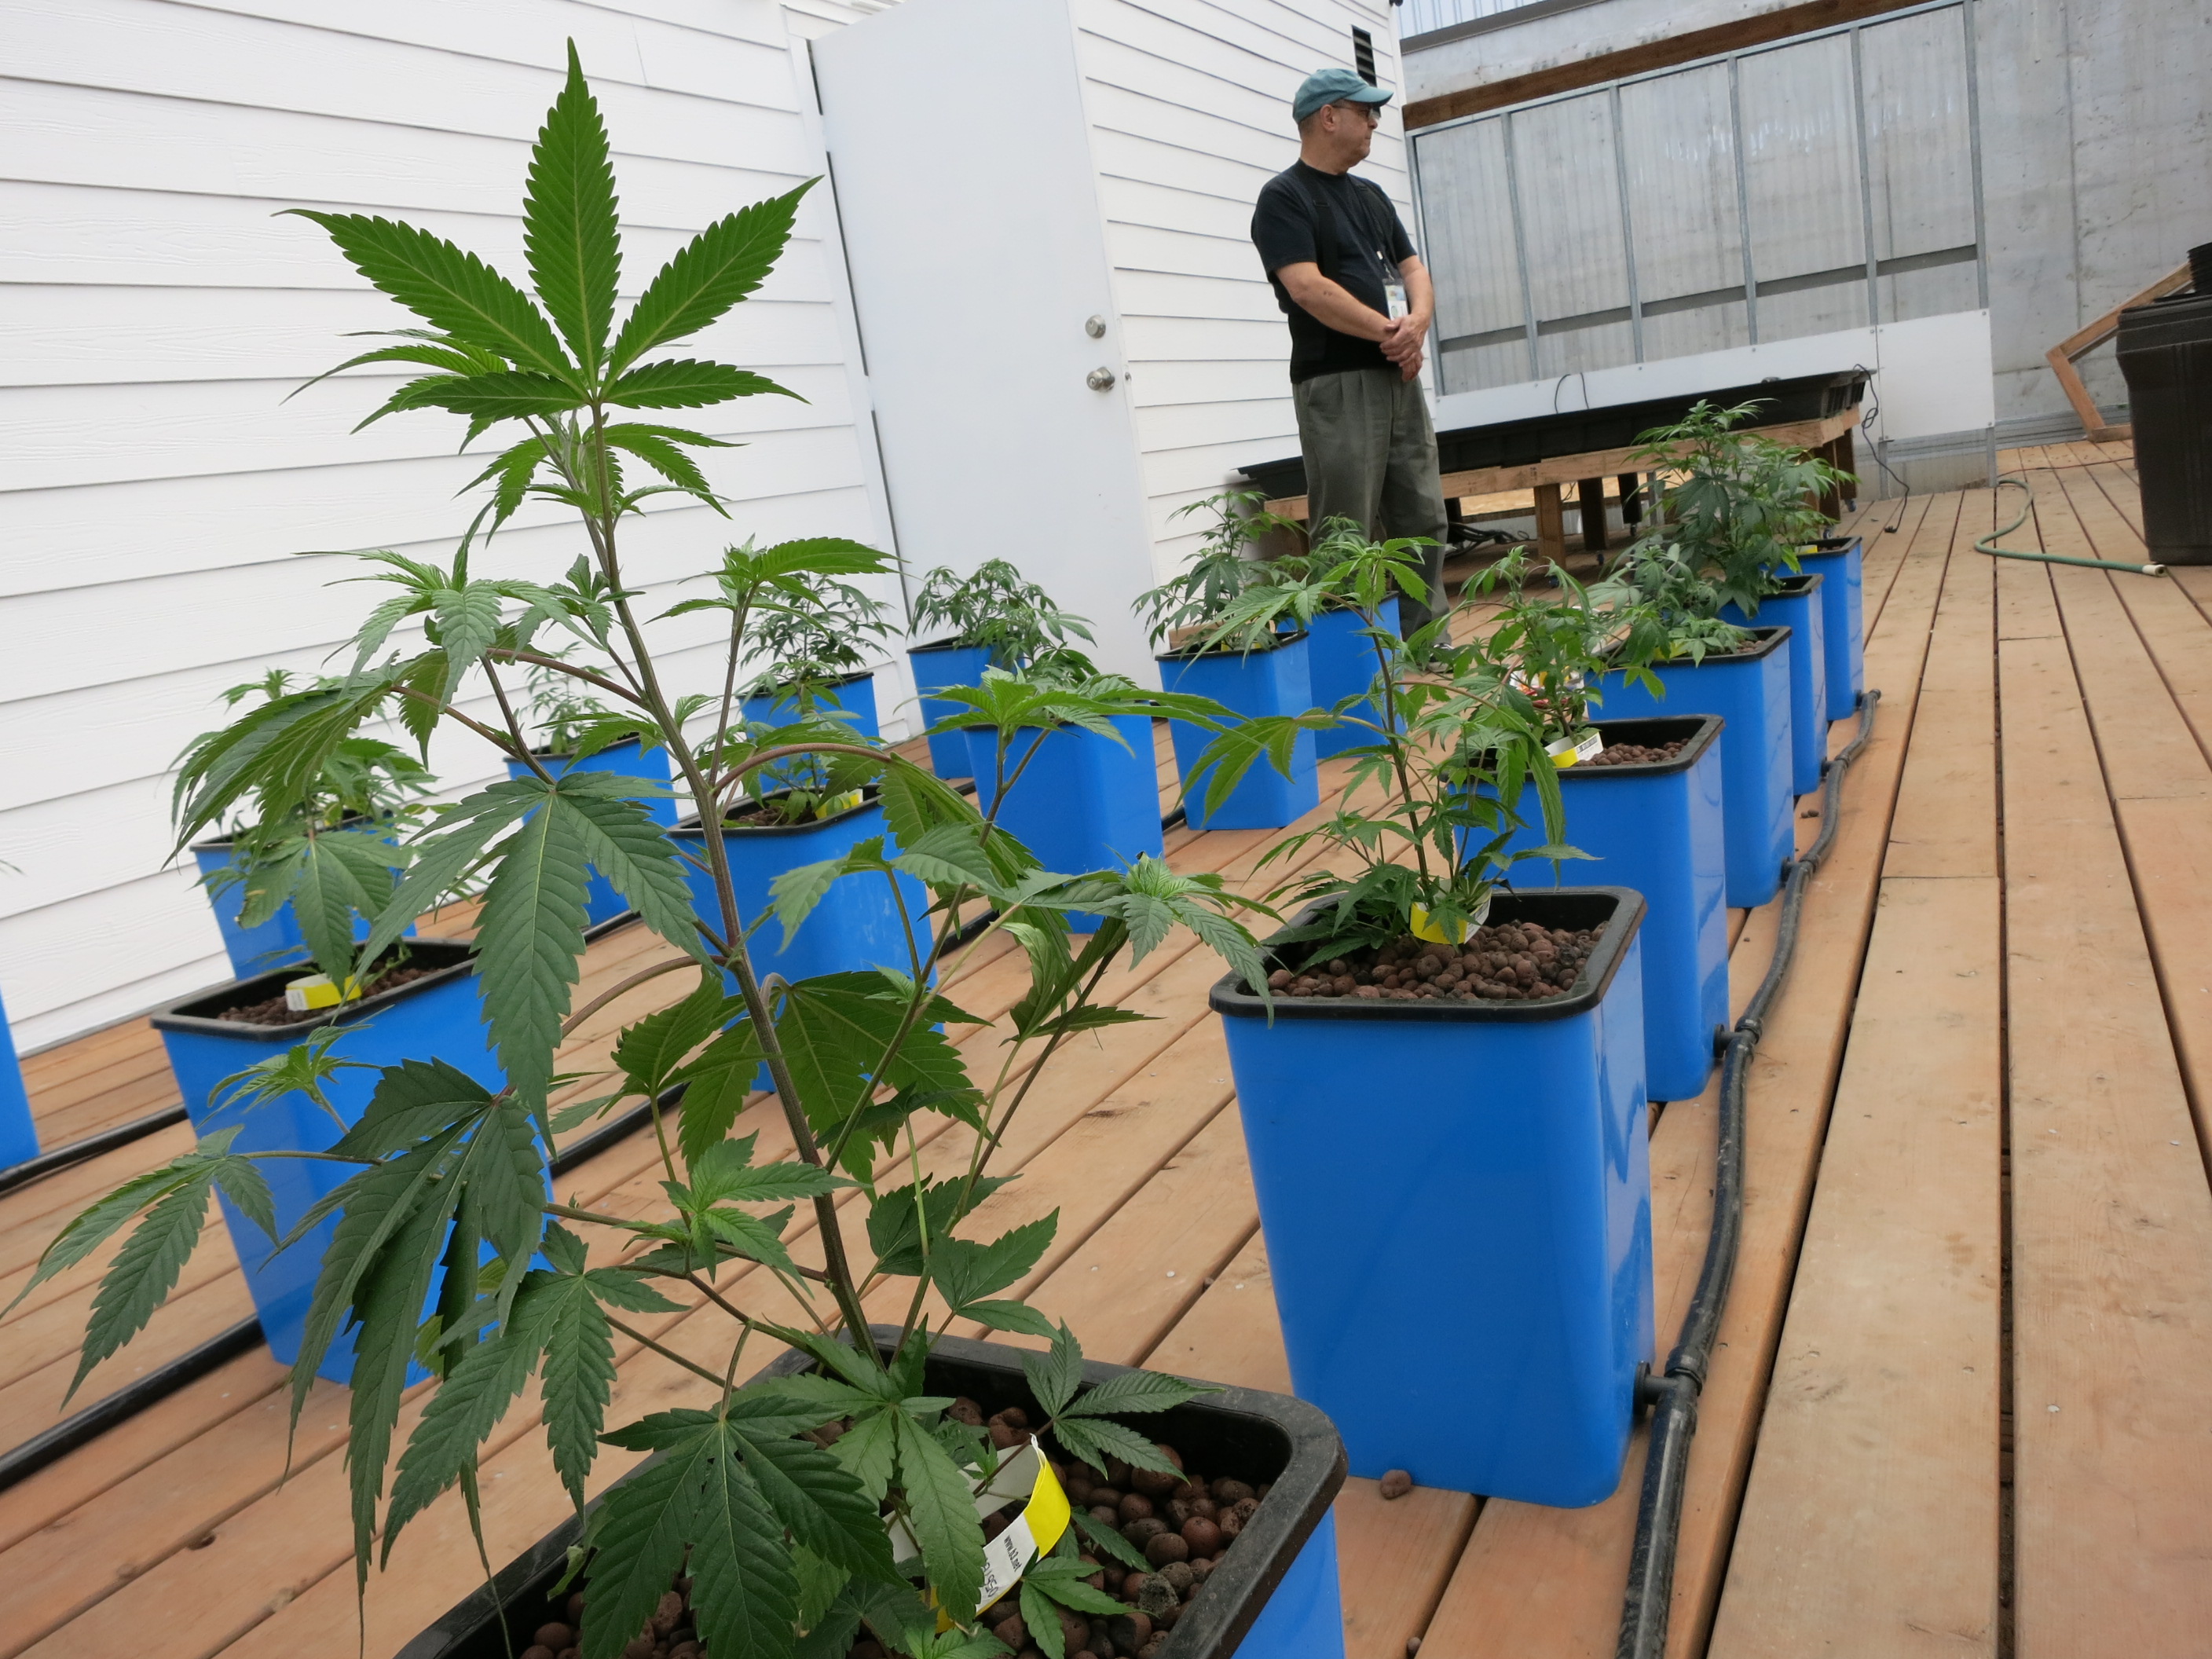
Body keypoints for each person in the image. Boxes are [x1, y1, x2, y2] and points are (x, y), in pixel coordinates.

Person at [1251, 67, 1449, 630]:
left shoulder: (1371, 197)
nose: (1375, 122)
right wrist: (1394, 335)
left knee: (1423, 514)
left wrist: (1418, 324)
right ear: (1328, 117)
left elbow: (1414, 270)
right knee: (1345, 529)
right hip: (1337, 383)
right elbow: (1307, 288)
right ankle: (1350, 657)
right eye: (1365, 112)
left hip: (1397, 379)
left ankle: (1428, 643)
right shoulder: (1285, 198)